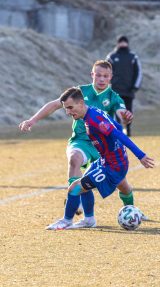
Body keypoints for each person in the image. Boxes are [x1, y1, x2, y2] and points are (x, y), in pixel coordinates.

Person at [19, 60, 133, 215]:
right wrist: (32, 120)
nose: (101, 79)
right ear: (92, 74)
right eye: (98, 75)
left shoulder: (114, 97)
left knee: (123, 185)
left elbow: (121, 114)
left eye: (105, 76)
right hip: (81, 141)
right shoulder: (79, 92)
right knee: (74, 159)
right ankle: (75, 200)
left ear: (111, 77)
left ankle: (131, 209)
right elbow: (54, 104)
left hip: (103, 146)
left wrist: (125, 117)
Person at [46, 87, 154, 230]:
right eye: (66, 108)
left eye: (70, 107)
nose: (68, 112)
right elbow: (117, 127)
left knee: (74, 188)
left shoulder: (94, 120)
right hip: (108, 161)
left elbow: (118, 134)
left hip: (112, 166)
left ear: (81, 103)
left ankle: (66, 221)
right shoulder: (92, 112)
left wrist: (140, 155)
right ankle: (89, 220)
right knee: (85, 183)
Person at [106, 35, 142, 136]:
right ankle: (119, 130)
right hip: (115, 90)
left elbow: (138, 72)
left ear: (127, 43)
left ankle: (128, 130)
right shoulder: (111, 57)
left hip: (129, 90)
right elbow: (105, 71)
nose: (122, 43)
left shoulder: (133, 57)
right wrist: (107, 85)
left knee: (128, 111)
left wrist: (135, 86)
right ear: (117, 43)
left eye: (124, 41)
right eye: (120, 42)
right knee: (116, 110)